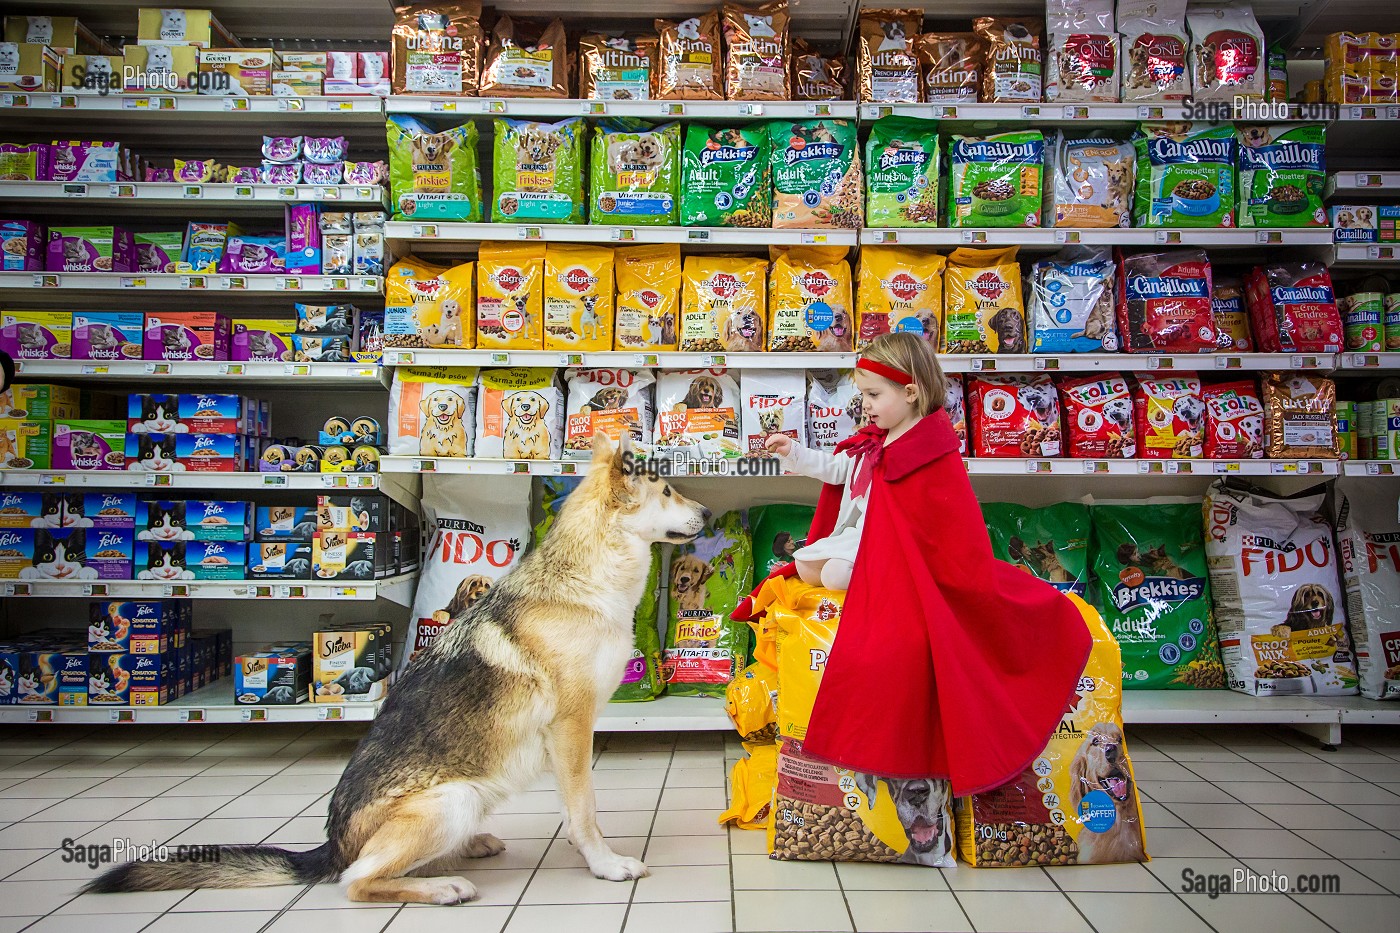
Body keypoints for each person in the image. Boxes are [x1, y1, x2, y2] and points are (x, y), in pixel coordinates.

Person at [735, 333, 1093, 797]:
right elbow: (840, 470)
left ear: (912, 392)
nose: (865, 406)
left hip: (897, 556)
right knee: (807, 567)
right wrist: (794, 453)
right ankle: (840, 566)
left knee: (838, 575)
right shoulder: (875, 440)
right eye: (862, 394)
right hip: (861, 539)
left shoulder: (928, 448)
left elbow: (943, 525)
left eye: (873, 395)